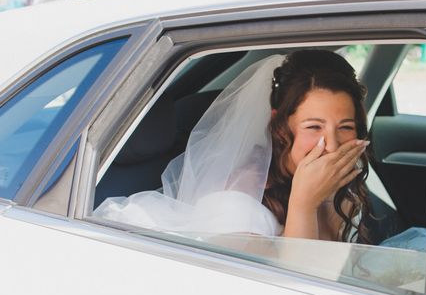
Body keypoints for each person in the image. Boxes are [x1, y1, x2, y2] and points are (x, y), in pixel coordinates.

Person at [95, 51, 371, 243]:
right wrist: (304, 204)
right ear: (280, 125)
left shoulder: (338, 185)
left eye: (345, 127)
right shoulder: (237, 202)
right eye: (314, 127)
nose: (332, 146)